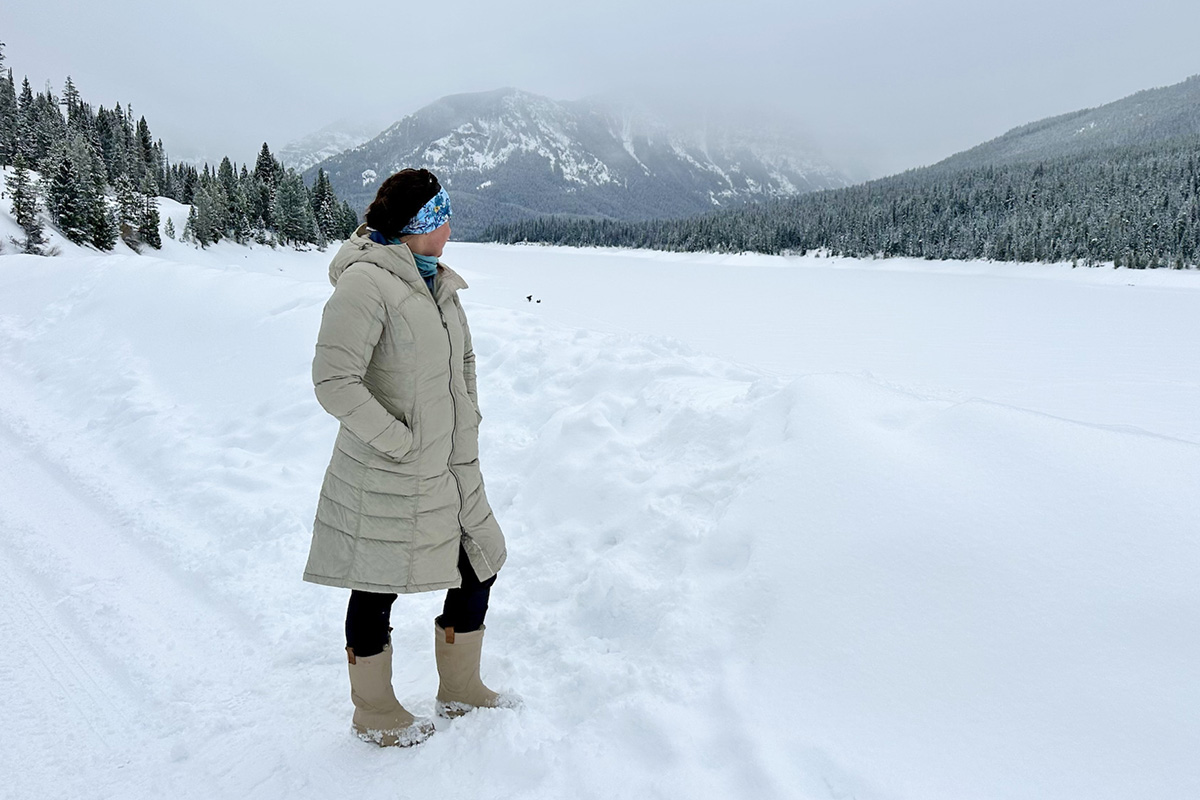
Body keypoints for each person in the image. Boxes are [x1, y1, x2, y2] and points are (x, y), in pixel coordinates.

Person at [302, 168, 512, 747]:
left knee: (480, 563)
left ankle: (460, 688)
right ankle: (374, 713)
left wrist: (464, 417)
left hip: (451, 464)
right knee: (375, 585)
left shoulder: (438, 282)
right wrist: (402, 442)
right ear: (422, 225)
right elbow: (334, 381)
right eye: (443, 217)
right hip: (388, 469)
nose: (451, 227)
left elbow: (461, 362)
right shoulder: (365, 284)